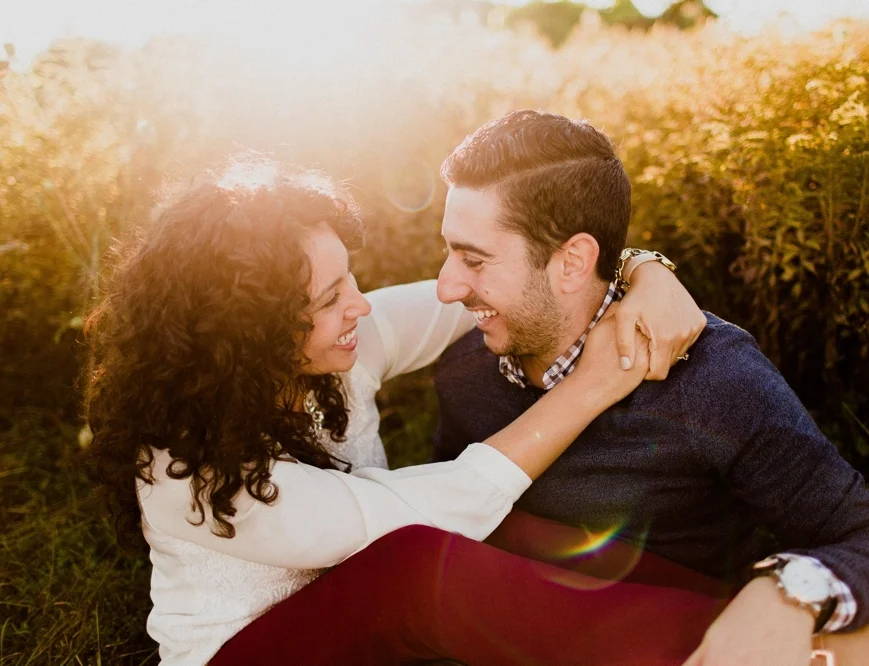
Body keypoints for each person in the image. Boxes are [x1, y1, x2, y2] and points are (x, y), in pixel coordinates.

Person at [84, 157, 710, 666]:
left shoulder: (335, 348)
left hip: (362, 627)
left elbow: (482, 292)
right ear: (247, 332)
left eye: (348, 280)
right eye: (331, 298)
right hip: (249, 653)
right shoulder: (184, 465)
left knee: (507, 528)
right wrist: (595, 383)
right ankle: (723, 656)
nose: (360, 306)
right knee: (418, 568)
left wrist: (643, 269)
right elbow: (403, 525)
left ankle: (753, 615)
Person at [432, 110, 869, 666]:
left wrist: (788, 592)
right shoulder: (463, 372)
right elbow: (453, 521)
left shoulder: (714, 379)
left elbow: (857, 531)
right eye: (447, 249)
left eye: (474, 259)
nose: (447, 286)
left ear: (572, 263)